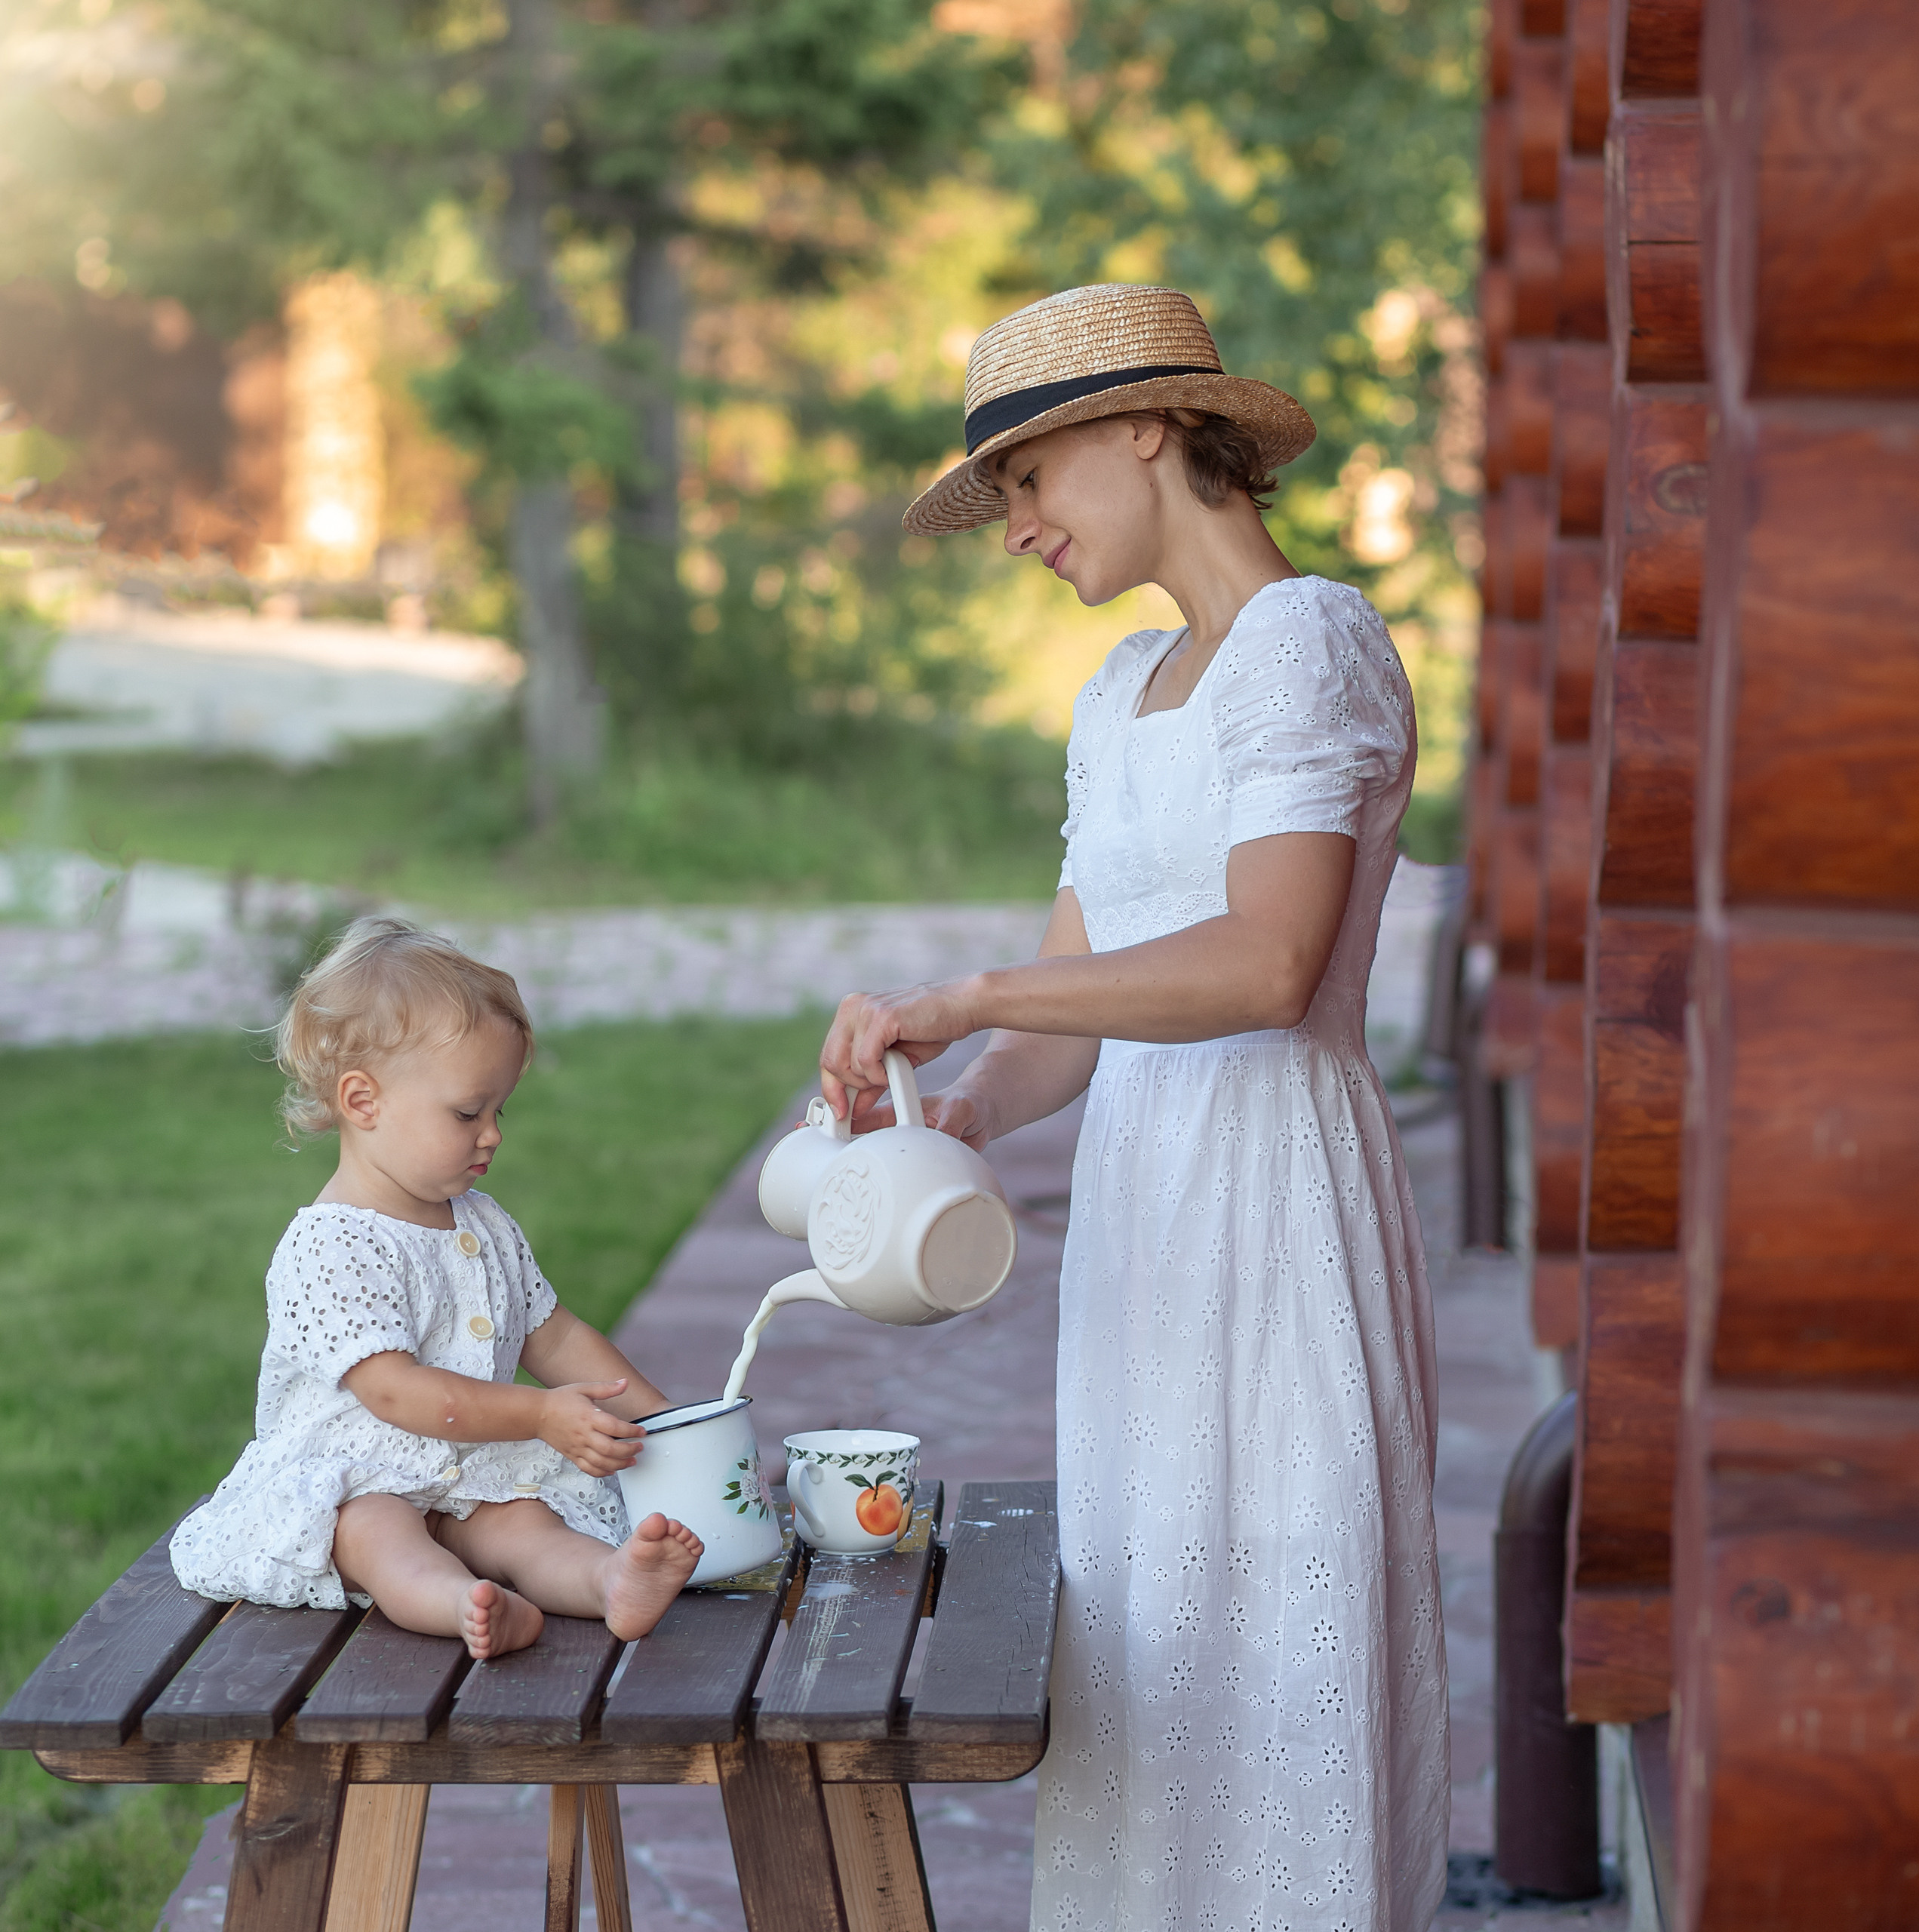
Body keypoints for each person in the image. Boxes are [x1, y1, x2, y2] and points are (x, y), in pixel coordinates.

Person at [820, 284, 1448, 1930]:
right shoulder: (1118, 693)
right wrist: (947, 1108)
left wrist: (975, 995)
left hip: (1277, 1197)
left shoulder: (1306, 645)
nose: (1014, 529)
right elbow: (1077, 1025)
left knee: (1276, 1631)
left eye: (1026, 481)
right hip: (1144, 1222)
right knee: (1153, 1630)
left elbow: (1263, 966)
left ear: (1144, 427)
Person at [171, 917, 701, 1660]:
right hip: (361, 1471)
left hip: (468, 1469)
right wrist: (541, 1415)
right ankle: (462, 1602)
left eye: (498, 1110)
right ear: (364, 1102)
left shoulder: (481, 1222)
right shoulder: (332, 1244)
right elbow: (396, 1393)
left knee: (522, 1522)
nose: (493, 1134)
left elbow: (553, 1334)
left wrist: (671, 1420)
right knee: (373, 1532)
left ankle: (609, 1580)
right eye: (466, 1112)